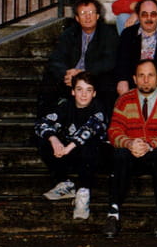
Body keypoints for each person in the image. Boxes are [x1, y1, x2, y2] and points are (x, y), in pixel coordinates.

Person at [103, 59, 157, 238]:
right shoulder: (124, 100)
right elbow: (114, 131)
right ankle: (113, 214)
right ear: (134, 79)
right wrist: (129, 143)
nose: (145, 80)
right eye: (141, 75)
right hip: (131, 152)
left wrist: (150, 145)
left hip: (154, 154)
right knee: (119, 154)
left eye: (150, 75)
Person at [34, 72, 107, 220]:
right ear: (73, 91)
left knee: (90, 143)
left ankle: (83, 193)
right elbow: (42, 123)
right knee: (44, 138)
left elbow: (90, 129)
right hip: (71, 154)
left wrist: (68, 147)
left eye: (88, 90)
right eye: (79, 89)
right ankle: (65, 183)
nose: (84, 94)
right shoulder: (66, 106)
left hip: (95, 156)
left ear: (94, 93)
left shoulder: (98, 107)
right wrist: (54, 139)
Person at [42, 0, 119, 112]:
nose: (88, 17)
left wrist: (83, 72)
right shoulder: (69, 34)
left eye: (91, 12)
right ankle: (47, 119)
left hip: (94, 76)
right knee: (49, 79)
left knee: (107, 81)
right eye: (83, 13)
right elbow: (56, 58)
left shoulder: (108, 34)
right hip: (71, 77)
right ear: (77, 18)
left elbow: (109, 61)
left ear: (97, 16)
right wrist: (66, 74)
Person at [113, 0, 157, 99]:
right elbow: (121, 61)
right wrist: (122, 80)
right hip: (135, 79)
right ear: (138, 16)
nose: (149, 18)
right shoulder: (128, 33)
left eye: (153, 14)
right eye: (144, 14)